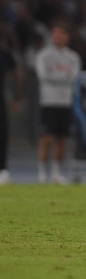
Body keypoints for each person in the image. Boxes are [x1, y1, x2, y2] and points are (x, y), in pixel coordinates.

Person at [35, 23, 81, 184]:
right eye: (54, 34)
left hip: (65, 102)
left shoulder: (73, 57)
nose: (57, 37)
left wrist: (55, 76)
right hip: (49, 101)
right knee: (46, 137)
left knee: (62, 139)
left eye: (60, 34)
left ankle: (56, 173)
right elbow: (43, 76)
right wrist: (63, 77)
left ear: (67, 37)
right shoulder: (44, 55)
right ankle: (42, 174)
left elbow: (73, 77)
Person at [0, 32, 22, 185]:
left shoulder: (4, 54)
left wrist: (17, 96)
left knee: (2, 133)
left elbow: (18, 74)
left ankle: (2, 170)